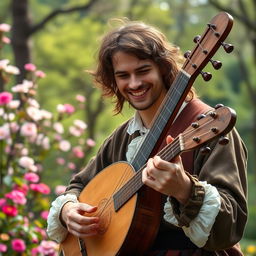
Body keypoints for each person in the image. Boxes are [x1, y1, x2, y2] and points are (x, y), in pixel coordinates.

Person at [47, 20, 248, 255]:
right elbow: (79, 185)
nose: (134, 83)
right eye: (123, 75)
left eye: (143, 71)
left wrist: (185, 190)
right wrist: (68, 210)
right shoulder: (123, 137)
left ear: (163, 69)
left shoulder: (210, 129)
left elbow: (232, 226)